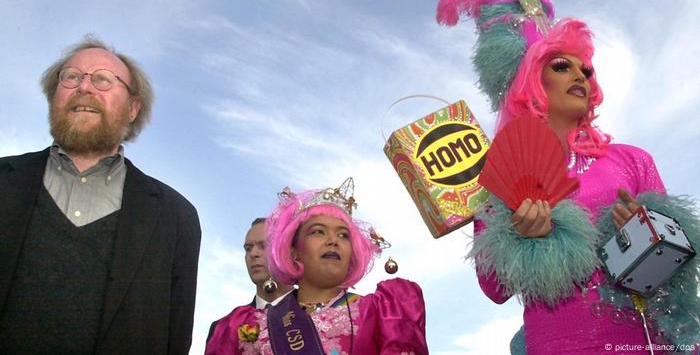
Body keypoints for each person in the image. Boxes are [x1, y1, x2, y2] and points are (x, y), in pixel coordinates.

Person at [437, 0, 700, 354]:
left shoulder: (632, 160)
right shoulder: (503, 174)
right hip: (556, 341)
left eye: (586, 70)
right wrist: (519, 239)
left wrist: (646, 232)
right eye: (562, 66)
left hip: (642, 340)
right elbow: (493, 289)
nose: (580, 74)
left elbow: (678, 258)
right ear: (530, 80)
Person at [0, 36, 202, 354]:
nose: (84, 87)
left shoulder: (176, 217)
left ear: (133, 108)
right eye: (71, 77)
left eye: (103, 80)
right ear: (54, 96)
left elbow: (174, 341)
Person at [205, 178, 428, 354]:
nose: (333, 240)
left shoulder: (384, 312)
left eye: (343, 235)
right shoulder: (242, 325)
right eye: (318, 231)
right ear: (292, 250)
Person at [206, 218, 294, 343]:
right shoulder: (222, 329)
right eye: (248, 248)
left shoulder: (320, 314)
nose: (253, 254)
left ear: (287, 252)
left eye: (263, 246)